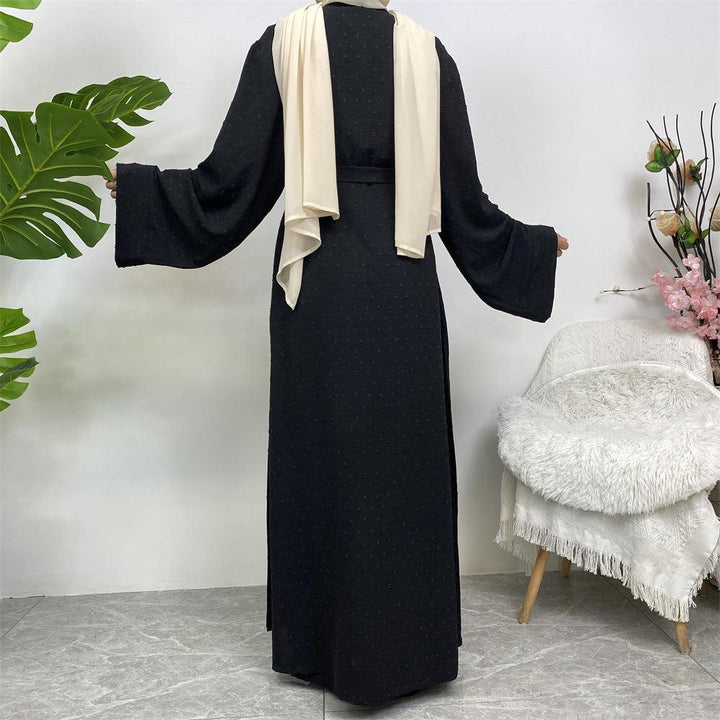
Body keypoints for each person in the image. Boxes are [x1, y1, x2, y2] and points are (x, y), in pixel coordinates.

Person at [107, 0, 569, 708]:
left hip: (318, 278)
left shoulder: (283, 42)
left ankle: (320, 648)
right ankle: (409, 652)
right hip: (402, 279)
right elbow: (465, 203)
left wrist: (141, 190)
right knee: (402, 463)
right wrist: (532, 248)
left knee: (321, 457)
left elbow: (228, 183)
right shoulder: (429, 52)